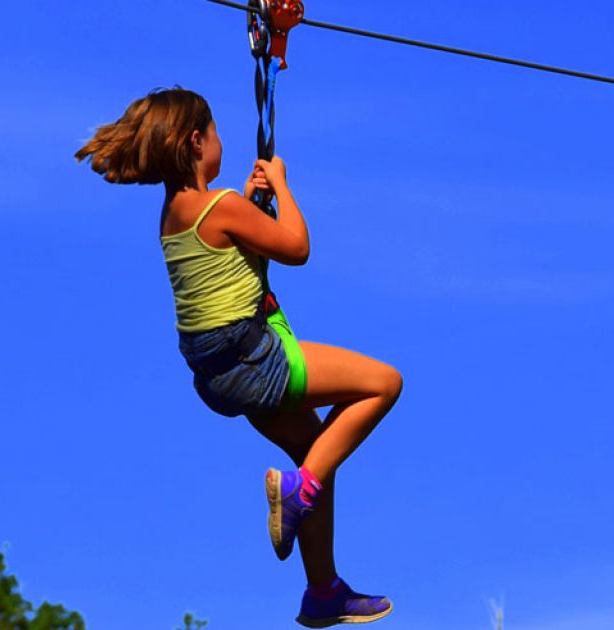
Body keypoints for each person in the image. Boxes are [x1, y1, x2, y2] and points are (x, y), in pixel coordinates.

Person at [75, 87, 400, 627]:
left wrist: (251, 205)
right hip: (257, 362)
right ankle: (300, 495)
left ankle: (323, 591)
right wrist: (281, 187)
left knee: (319, 450)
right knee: (383, 383)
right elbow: (296, 247)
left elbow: (227, 262)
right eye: (217, 131)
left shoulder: (177, 214)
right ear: (197, 141)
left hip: (219, 378)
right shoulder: (219, 206)